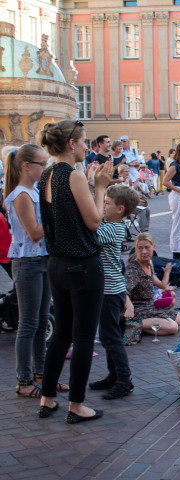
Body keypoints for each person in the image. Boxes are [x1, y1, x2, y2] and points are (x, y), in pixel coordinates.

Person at [38, 119, 113, 424]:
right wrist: (101, 188)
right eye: (83, 141)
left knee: (61, 336)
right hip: (82, 263)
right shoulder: (73, 175)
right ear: (71, 143)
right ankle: (77, 405)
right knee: (83, 337)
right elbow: (95, 221)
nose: (86, 146)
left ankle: (47, 399)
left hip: (56, 263)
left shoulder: (46, 174)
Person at [4, 145, 58, 399]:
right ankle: (24, 379)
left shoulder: (33, 191)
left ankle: (40, 374)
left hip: (41, 260)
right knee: (27, 324)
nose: (44, 168)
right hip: (27, 262)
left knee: (40, 321)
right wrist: (56, 215)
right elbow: (34, 232)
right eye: (41, 164)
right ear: (26, 166)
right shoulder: (21, 194)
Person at [89, 185, 139, 400]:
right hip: (111, 289)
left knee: (111, 337)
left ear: (119, 209)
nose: (103, 206)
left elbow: (90, 234)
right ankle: (114, 374)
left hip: (110, 291)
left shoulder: (111, 228)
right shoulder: (113, 225)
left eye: (106, 203)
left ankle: (124, 380)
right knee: (110, 336)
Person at [125, 233, 180, 336]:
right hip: (138, 310)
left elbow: (162, 285)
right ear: (136, 249)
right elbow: (123, 290)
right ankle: (130, 324)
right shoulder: (133, 269)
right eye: (140, 248)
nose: (144, 252)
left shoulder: (148, 265)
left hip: (150, 307)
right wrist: (129, 307)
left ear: (153, 247)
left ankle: (144, 326)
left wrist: (167, 272)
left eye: (147, 248)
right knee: (173, 327)